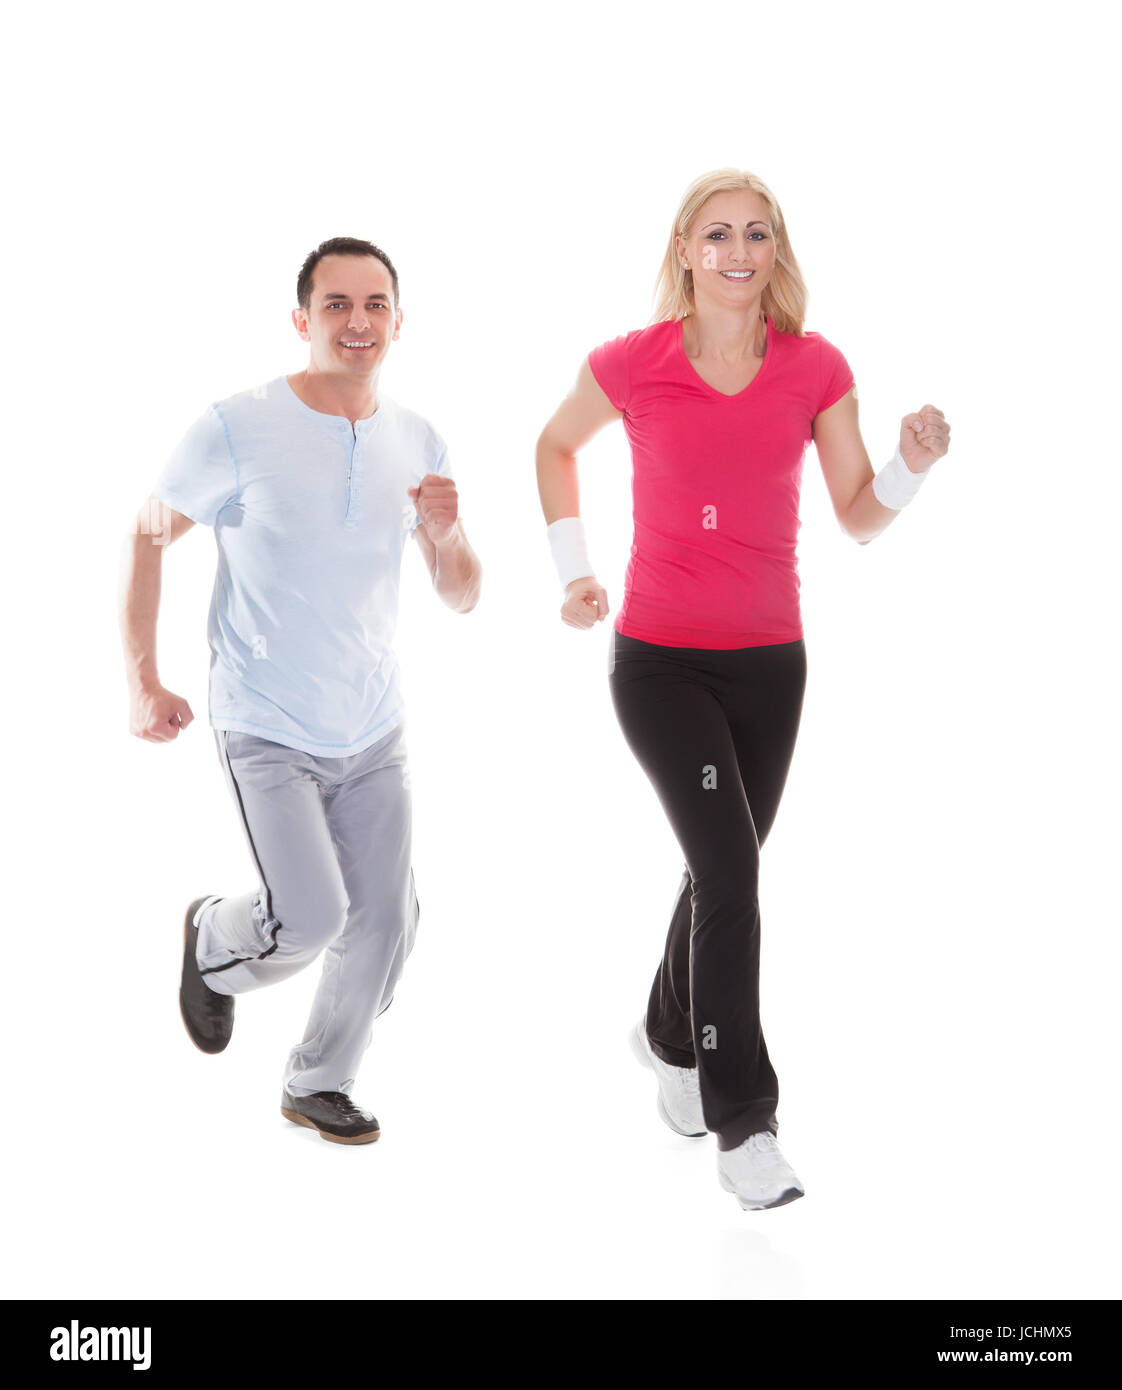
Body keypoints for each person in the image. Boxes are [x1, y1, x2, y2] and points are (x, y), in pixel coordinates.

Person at [535, 170, 950, 1209]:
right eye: (716, 234)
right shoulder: (635, 363)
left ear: (777, 251)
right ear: (684, 248)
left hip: (772, 664)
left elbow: (858, 514)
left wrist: (905, 464)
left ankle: (670, 1029)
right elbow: (552, 445)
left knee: (722, 866)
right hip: (659, 662)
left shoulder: (815, 368)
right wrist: (574, 568)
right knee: (730, 872)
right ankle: (745, 1121)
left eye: (756, 234)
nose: (737, 250)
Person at [119, 236, 482, 1145]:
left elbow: (464, 591)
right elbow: (147, 532)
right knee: (311, 918)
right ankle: (214, 941)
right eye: (336, 305)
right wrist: (143, 681)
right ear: (303, 320)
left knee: (389, 919)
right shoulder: (236, 427)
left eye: (374, 306)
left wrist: (445, 535)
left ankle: (319, 1080)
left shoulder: (419, 437)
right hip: (266, 719)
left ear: (399, 320)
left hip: (373, 724)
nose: (357, 323)